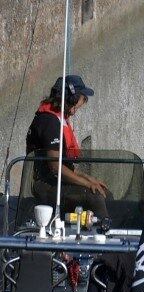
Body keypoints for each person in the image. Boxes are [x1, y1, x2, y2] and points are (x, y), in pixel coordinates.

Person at [24, 74, 110, 220]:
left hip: (56, 180)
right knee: (94, 197)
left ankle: (113, 230)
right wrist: (87, 185)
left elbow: (65, 165)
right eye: (82, 99)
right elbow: (56, 167)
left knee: (103, 192)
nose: (82, 104)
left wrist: (89, 179)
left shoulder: (58, 119)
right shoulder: (50, 122)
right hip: (46, 185)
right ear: (72, 98)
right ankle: (105, 233)